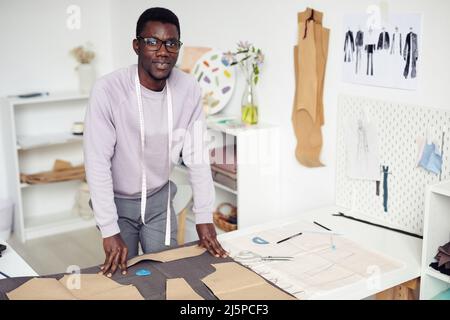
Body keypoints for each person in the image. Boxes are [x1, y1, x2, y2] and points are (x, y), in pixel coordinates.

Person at [84, 7, 227, 277]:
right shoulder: (108, 90)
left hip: (159, 200)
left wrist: (205, 216)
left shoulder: (189, 89)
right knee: (124, 277)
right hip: (117, 201)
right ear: (137, 46)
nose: (163, 51)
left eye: (171, 43)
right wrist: (108, 227)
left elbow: (197, 156)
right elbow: (97, 162)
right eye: (153, 42)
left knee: (166, 272)